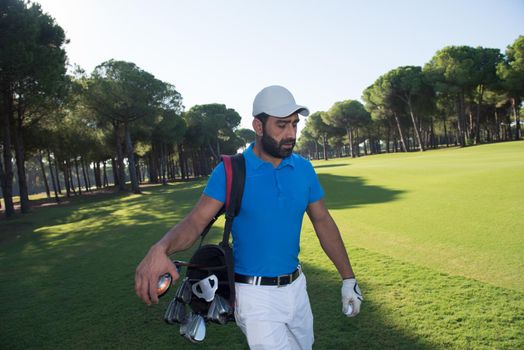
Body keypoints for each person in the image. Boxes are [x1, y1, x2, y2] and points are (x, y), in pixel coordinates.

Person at [135, 85, 363, 350]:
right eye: (281, 126)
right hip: (255, 297)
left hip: (297, 288)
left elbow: (323, 221)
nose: (290, 134)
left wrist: (348, 278)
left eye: (294, 125)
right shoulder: (231, 171)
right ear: (258, 125)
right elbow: (195, 222)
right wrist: (160, 247)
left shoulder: (303, 168)